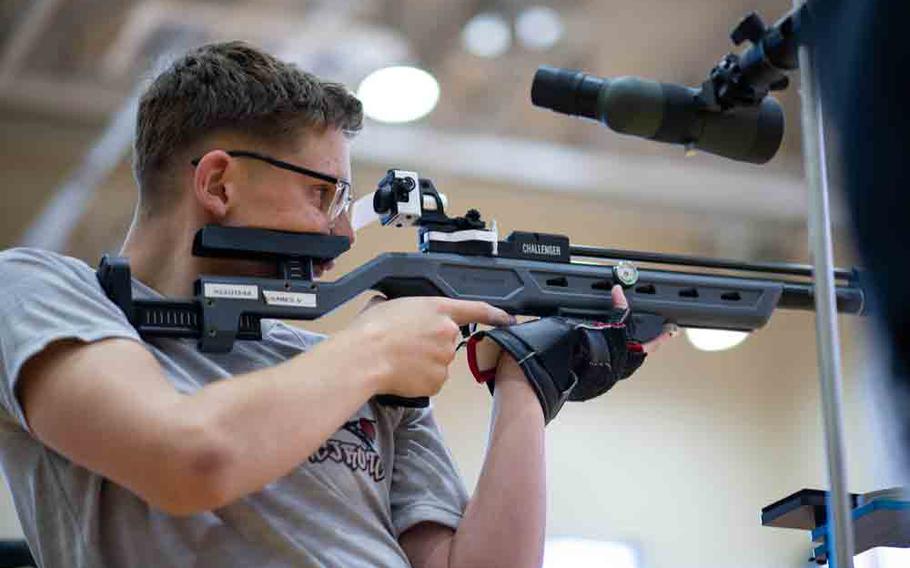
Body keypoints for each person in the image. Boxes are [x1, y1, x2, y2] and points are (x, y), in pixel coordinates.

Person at [0, 42, 667, 567]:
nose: (344, 233)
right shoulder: (42, 290)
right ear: (219, 183)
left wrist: (528, 378)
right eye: (326, 196)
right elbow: (188, 461)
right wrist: (374, 351)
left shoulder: (351, 371)